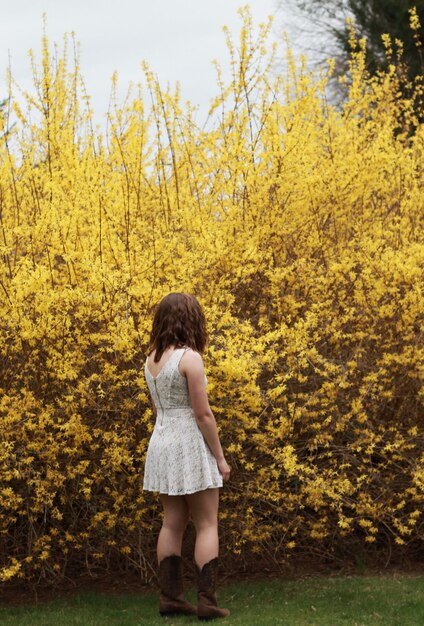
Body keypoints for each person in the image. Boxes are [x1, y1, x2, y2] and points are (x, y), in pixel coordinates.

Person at [143, 292, 231, 620]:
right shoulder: (190, 358)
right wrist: (220, 459)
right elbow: (203, 415)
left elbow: (157, 407)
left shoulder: (152, 359)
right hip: (189, 443)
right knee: (207, 523)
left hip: (162, 441)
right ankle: (207, 601)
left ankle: (171, 598)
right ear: (191, 319)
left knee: (172, 522)